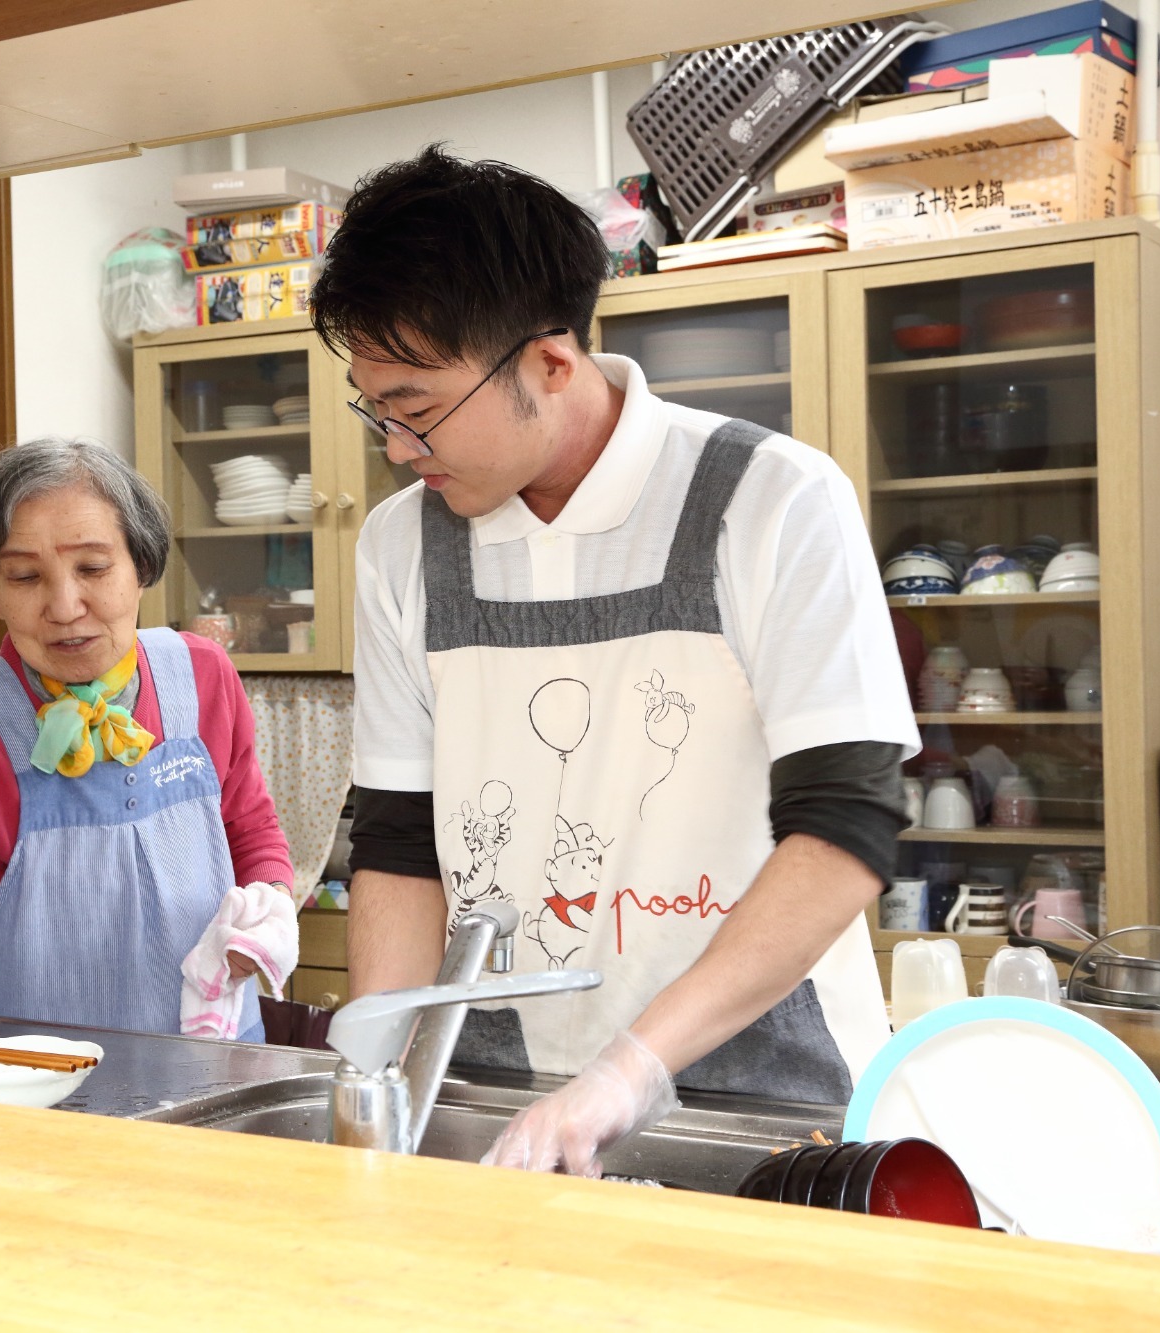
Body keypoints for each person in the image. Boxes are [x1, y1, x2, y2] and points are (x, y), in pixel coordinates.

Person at [308, 147, 918, 1175]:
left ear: (548, 364)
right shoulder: (399, 545)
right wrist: (380, 1073)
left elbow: (846, 828)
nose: (397, 448)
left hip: (768, 1096)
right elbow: (402, 843)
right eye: (377, 412)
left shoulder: (770, 500)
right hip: (498, 1086)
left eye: (416, 411)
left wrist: (628, 1069)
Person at [0, 437, 295, 1046]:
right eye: (25, 576)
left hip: (223, 1064)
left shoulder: (204, 676)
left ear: (142, 566)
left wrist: (269, 910)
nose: (65, 606)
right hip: (41, 1097)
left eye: (94, 569)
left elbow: (252, 829)